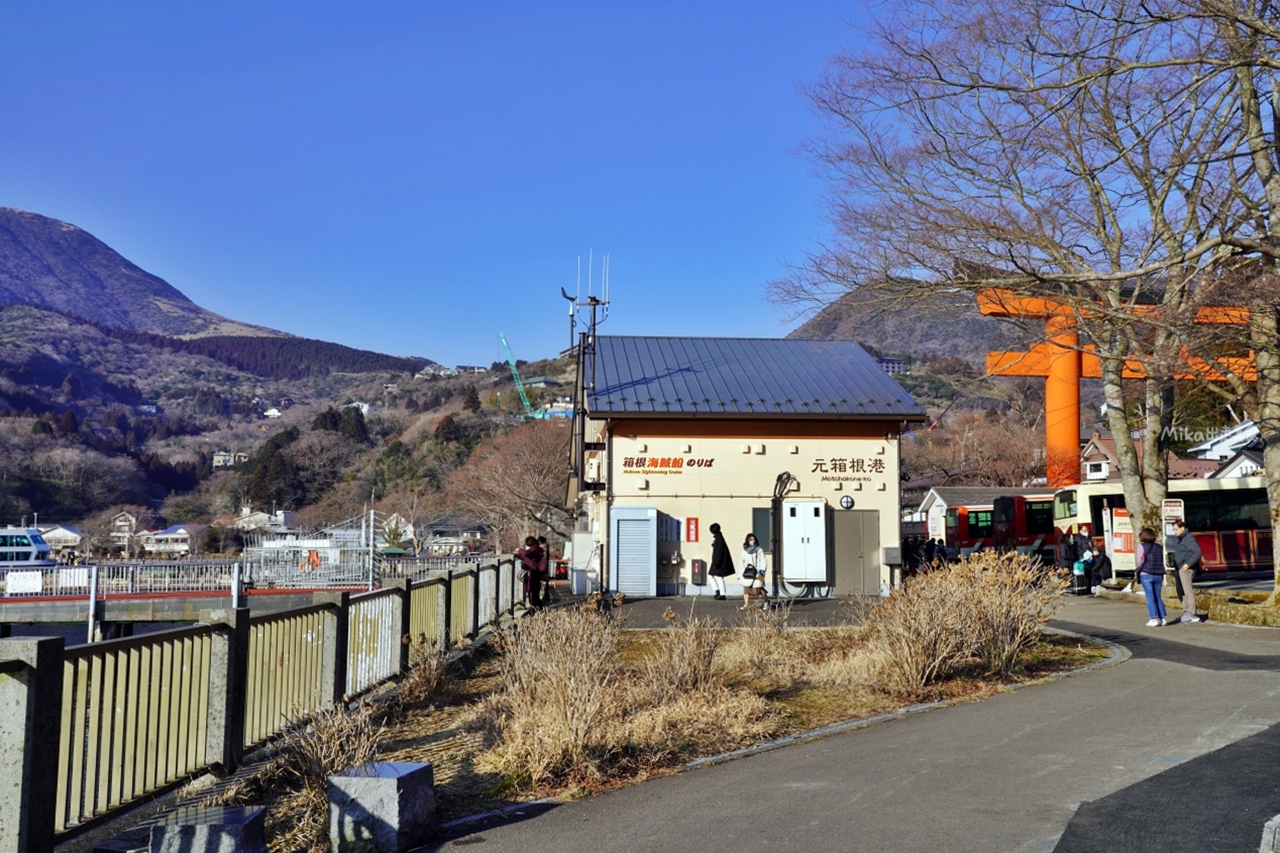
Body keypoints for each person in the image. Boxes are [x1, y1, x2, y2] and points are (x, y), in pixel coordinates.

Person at [1168, 519, 1203, 624]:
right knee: (1181, 591)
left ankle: (1192, 614)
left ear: (1183, 528)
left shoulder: (1188, 538)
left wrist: (1187, 564)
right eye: (1173, 530)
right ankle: (1186, 612)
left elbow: (1197, 552)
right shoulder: (1181, 538)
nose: (1175, 532)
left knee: (1187, 591)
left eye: (1176, 529)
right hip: (1179, 568)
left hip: (1186, 569)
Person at [1136, 526, 1167, 627]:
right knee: (1158, 596)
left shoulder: (1142, 546)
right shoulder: (1159, 547)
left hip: (1146, 574)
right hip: (1158, 574)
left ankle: (1153, 618)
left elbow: (1139, 561)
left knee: (1150, 597)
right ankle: (1163, 618)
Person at [740, 532, 769, 611]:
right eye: (750, 539)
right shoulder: (744, 550)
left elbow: (763, 560)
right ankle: (746, 604)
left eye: (753, 539)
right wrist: (740, 573)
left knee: (759, 588)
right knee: (746, 588)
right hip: (747, 572)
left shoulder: (759, 550)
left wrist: (762, 571)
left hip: (757, 571)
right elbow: (742, 561)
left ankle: (766, 602)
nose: (752, 541)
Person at [707, 522, 734, 600]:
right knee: (713, 576)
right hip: (719, 562)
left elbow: (719, 552)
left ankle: (721, 594)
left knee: (718, 577)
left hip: (718, 562)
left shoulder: (719, 539)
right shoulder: (719, 538)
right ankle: (719, 592)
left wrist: (716, 563)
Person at [516, 536, 543, 608]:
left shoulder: (534, 549)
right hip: (535, 573)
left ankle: (533, 610)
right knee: (534, 593)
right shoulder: (537, 549)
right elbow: (526, 556)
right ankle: (538, 609)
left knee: (532, 592)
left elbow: (525, 555)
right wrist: (518, 555)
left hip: (532, 573)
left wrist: (519, 550)